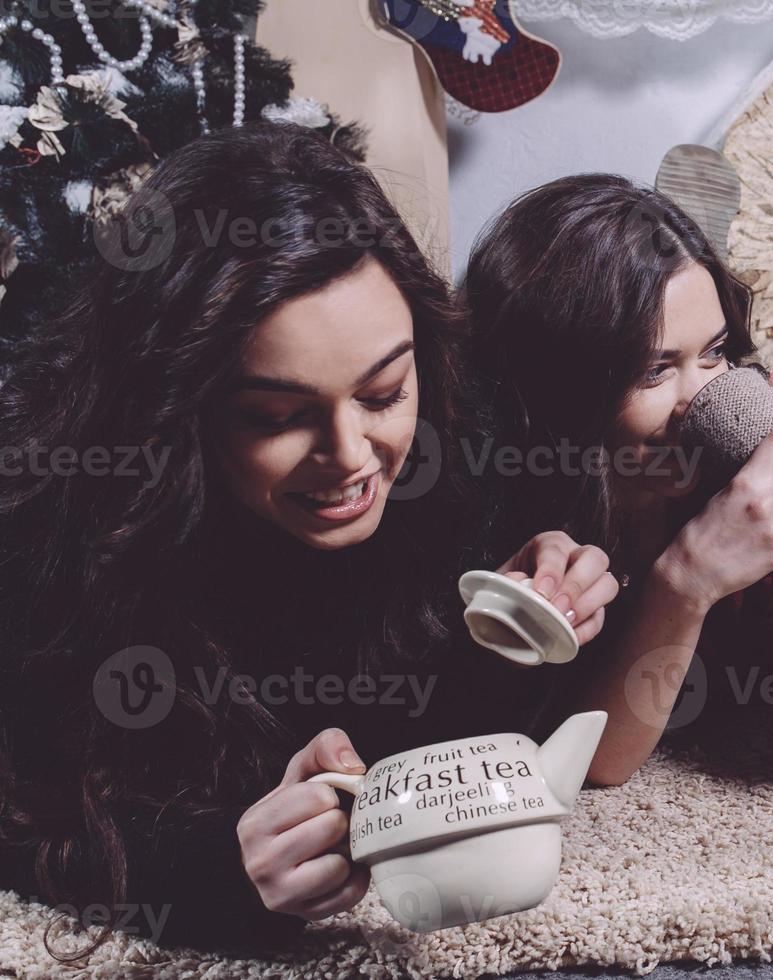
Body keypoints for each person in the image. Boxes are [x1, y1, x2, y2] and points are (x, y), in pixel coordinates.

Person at [0, 124, 618, 952]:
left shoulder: (454, 440)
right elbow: (27, 821)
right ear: (177, 409)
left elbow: (417, 742)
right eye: (278, 417)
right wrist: (216, 867)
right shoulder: (53, 510)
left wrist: (503, 632)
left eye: (383, 391)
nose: (352, 458)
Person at [461, 175, 773, 786]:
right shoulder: (511, 515)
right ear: (558, 381)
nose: (700, 400)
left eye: (716, 352)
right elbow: (593, 763)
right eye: (652, 371)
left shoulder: (747, 479)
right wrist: (685, 581)